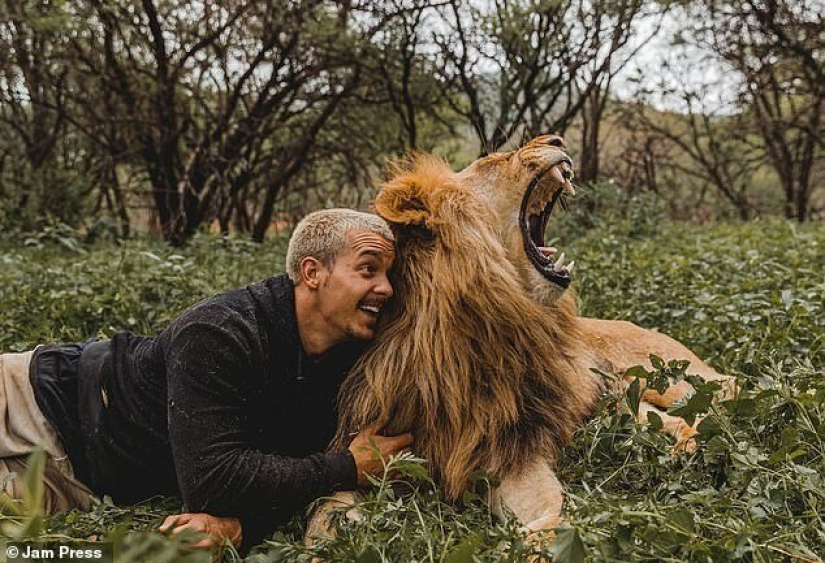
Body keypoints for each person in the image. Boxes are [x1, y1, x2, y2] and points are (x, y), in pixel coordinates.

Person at [0, 209, 413, 550]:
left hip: (78, 481)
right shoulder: (221, 331)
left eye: (388, 274)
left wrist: (239, 529)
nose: (386, 288)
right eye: (367, 270)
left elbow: (269, 476)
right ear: (312, 273)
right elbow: (213, 482)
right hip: (32, 396)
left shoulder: (342, 363)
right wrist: (347, 467)